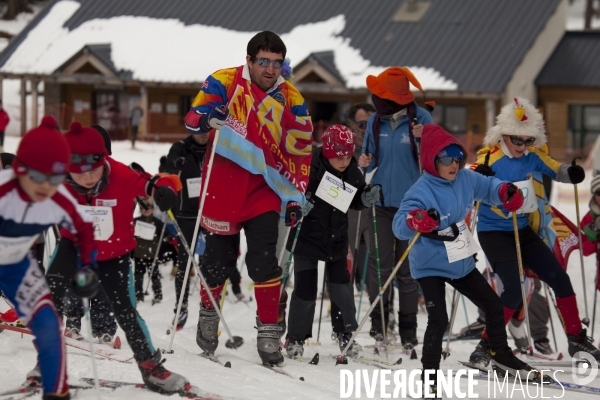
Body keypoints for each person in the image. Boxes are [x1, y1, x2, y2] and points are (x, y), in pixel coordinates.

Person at [184, 30, 313, 365]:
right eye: (263, 61)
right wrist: (209, 119)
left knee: (263, 262)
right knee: (217, 264)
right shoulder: (224, 81)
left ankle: (269, 331)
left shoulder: (292, 98)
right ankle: (209, 316)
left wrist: (295, 196)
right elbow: (192, 119)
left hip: (263, 191)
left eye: (277, 63)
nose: (270, 69)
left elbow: (299, 150)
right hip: (222, 187)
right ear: (250, 61)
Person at [393, 124, 541, 395]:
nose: (454, 165)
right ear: (432, 161)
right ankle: (430, 376)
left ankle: (499, 354)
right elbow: (399, 226)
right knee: (439, 318)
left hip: (459, 260)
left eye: (458, 159)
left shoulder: (464, 178)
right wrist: (416, 220)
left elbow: (490, 186)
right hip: (429, 265)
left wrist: (506, 192)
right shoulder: (421, 190)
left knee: (494, 307)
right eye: (446, 160)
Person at [44, 122, 191, 393]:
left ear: (104, 159)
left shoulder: (121, 174)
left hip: (115, 253)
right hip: (73, 245)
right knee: (49, 295)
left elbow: (157, 181)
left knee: (125, 310)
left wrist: (167, 189)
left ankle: (150, 367)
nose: (87, 178)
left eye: (94, 170)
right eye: (79, 173)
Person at [469, 97, 600, 364]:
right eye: (517, 140)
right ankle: (487, 344)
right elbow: (469, 178)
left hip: (523, 229)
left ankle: (576, 337)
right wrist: (478, 175)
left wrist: (572, 173)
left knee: (560, 279)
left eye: (528, 140)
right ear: (503, 135)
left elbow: (555, 168)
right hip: (494, 232)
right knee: (514, 289)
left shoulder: (532, 155)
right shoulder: (489, 157)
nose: (523, 146)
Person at [0, 116, 97, 400]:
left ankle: (56, 393)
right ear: (19, 169)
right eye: (39, 177)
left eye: (55, 178)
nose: (45, 187)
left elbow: (84, 230)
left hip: (17, 267)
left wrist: (88, 268)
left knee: (49, 326)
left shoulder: (59, 198)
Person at [284, 125, 380, 358]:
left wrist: (364, 198)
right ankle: (296, 338)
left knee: (341, 290)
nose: (344, 161)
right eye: (339, 156)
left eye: (348, 156)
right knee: (306, 290)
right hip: (307, 238)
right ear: (326, 151)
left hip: (336, 238)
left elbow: (354, 198)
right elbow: (289, 192)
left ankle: (345, 333)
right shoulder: (309, 166)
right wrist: (297, 204)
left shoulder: (351, 171)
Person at [358, 67, 433, 349]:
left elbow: (434, 160)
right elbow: (371, 157)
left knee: (407, 271)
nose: (375, 99)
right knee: (381, 268)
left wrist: (422, 137)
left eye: (380, 95)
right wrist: (364, 162)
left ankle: (409, 331)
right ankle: (380, 325)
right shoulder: (376, 120)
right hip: (380, 203)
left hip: (410, 207)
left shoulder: (421, 118)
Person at [165, 132, 208, 328]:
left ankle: (209, 310)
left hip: (210, 213)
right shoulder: (181, 147)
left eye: (207, 130)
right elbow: (169, 164)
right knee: (184, 263)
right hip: (186, 214)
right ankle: (181, 307)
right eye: (199, 130)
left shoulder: (216, 147)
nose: (204, 134)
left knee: (211, 262)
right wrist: (178, 163)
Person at [347, 103, 375, 290]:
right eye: (363, 124)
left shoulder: (379, 149)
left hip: (374, 213)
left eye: (373, 124)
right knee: (346, 258)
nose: (367, 130)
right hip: (349, 213)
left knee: (374, 262)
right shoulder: (344, 149)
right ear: (352, 125)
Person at [132, 196, 177, 304]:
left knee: (154, 275)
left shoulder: (156, 222)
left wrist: (172, 239)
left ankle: (158, 295)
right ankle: (138, 295)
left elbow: (166, 233)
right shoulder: (136, 221)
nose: (146, 211)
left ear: (152, 209)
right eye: (143, 209)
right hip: (139, 254)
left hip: (153, 254)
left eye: (148, 209)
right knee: (138, 276)